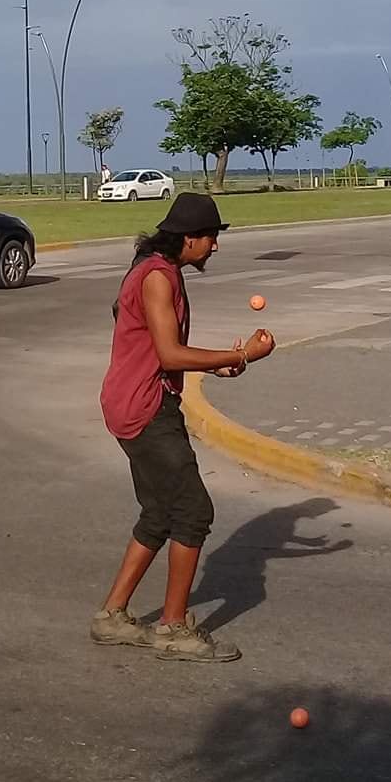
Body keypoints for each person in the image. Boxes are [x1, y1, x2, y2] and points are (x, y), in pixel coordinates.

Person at [93, 192, 273, 662]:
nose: (214, 246)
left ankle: (112, 617)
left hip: (132, 401)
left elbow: (163, 351)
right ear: (189, 238)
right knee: (193, 513)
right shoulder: (157, 276)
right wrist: (240, 355)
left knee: (159, 513)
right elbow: (170, 355)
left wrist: (216, 366)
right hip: (144, 408)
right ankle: (173, 628)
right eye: (211, 238)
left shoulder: (157, 267)